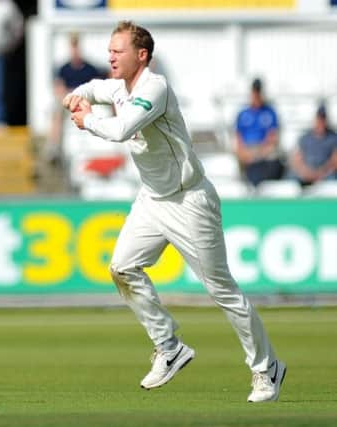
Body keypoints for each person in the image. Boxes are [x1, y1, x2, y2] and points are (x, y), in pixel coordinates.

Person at [63, 21, 285, 403]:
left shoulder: (156, 87)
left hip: (189, 200)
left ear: (142, 56)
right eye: (109, 50)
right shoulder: (118, 86)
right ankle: (169, 347)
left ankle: (267, 369)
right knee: (122, 267)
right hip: (152, 199)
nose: (110, 56)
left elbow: (120, 130)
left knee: (223, 291)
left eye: (118, 51)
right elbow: (95, 88)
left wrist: (87, 120)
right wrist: (75, 95)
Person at [45, 32, 103, 162]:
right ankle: (54, 148)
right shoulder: (63, 69)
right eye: (72, 46)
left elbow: (98, 87)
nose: (75, 50)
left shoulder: (90, 68)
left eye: (76, 46)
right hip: (70, 102)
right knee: (57, 112)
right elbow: (59, 90)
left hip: (86, 103)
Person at [234, 78, 284, 186]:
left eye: (258, 92)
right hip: (248, 150)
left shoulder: (270, 112)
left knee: (273, 156)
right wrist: (246, 154)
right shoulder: (243, 114)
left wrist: (258, 154)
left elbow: (273, 138)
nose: (256, 95)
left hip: (263, 150)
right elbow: (238, 140)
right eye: (254, 92)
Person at [287, 104, 337, 186]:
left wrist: (320, 173)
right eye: (319, 119)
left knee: (332, 179)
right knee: (291, 178)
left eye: (323, 119)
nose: (320, 122)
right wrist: (307, 173)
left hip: (325, 173)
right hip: (306, 173)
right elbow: (296, 160)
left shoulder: (333, 138)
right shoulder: (305, 138)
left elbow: (335, 161)